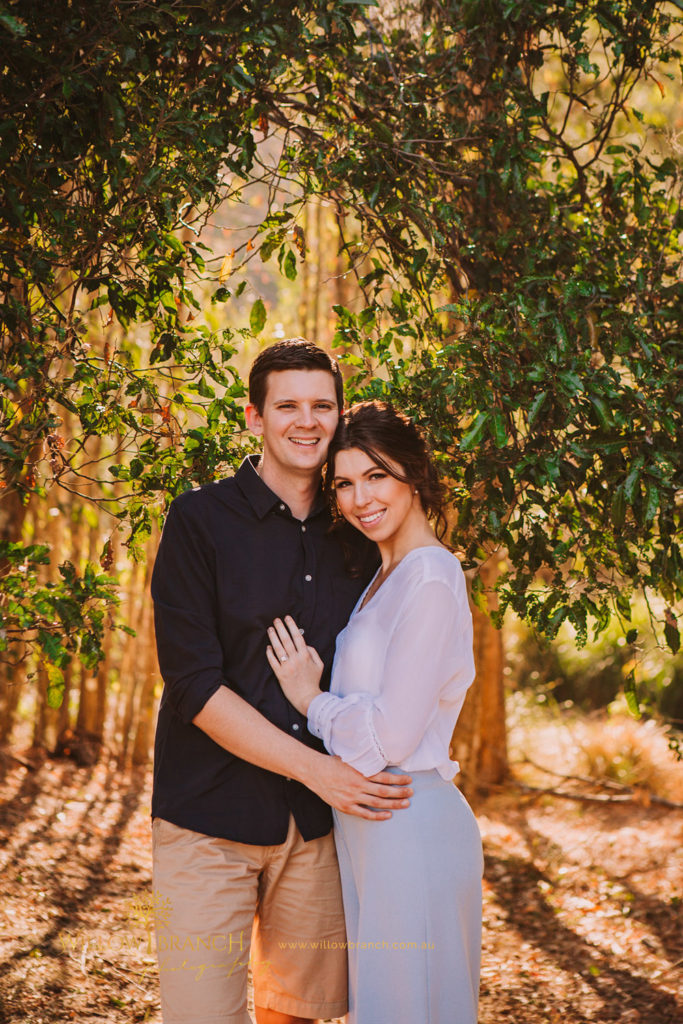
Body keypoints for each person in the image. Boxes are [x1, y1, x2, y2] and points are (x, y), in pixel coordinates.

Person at [150, 341, 412, 1024]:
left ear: (338, 415)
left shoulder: (357, 532)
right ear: (254, 417)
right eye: (287, 405)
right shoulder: (198, 520)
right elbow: (193, 684)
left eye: (321, 405)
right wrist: (315, 771)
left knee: (299, 1014)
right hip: (206, 817)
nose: (306, 420)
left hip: (319, 832)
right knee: (201, 1015)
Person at [267, 400, 483, 1024]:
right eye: (344, 482)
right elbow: (374, 722)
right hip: (368, 826)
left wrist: (312, 699)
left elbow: (389, 737)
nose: (360, 498)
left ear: (414, 474)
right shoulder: (381, 576)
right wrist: (348, 717)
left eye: (377, 476)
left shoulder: (432, 578)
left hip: (411, 817)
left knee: (409, 1008)